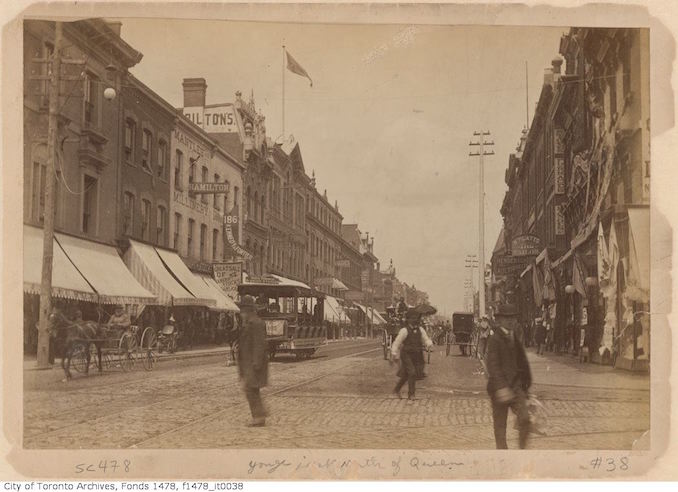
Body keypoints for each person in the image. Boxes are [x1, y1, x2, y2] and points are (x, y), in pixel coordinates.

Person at [486, 303, 532, 449]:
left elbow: (522, 362)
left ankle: (522, 451)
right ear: (500, 320)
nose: (511, 321)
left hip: (516, 386)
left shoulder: (515, 335)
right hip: (500, 389)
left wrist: (525, 385)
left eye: (513, 318)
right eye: (507, 318)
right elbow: (493, 365)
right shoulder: (494, 339)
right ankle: (503, 453)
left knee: (525, 419)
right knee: (500, 426)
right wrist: (501, 387)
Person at [237, 295, 269, 427]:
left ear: (248, 310)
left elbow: (259, 344)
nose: (241, 313)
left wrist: (256, 362)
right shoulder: (249, 322)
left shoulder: (255, 323)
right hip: (248, 363)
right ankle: (260, 414)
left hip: (253, 363)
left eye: (243, 310)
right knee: (251, 389)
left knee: (250, 389)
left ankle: (259, 417)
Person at [391, 310, 433, 401]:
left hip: (417, 355)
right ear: (408, 320)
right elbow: (397, 342)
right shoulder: (404, 331)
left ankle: (396, 390)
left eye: (417, 318)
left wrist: (429, 343)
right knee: (412, 373)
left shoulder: (421, 330)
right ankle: (411, 394)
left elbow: (426, 339)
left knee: (407, 374)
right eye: (413, 318)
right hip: (406, 354)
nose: (415, 320)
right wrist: (394, 353)